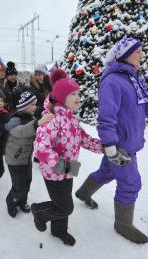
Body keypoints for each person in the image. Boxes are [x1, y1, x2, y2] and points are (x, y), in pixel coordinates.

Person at [75, 37, 148, 244]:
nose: (141, 55)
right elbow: (106, 118)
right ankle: (123, 224)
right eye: (138, 52)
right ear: (125, 55)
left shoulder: (134, 79)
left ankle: (83, 193)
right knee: (130, 183)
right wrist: (110, 147)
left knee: (106, 172)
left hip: (128, 141)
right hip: (120, 146)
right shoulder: (113, 81)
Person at [31, 71, 103, 246]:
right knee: (65, 207)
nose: (78, 97)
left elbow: (83, 139)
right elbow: (41, 148)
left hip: (68, 170)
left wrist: (105, 148)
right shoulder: (52, 119)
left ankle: (58, 231)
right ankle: (39, 211)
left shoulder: (70, 118)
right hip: (55, 172)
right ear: (62, 97)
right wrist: (62, 166)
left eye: (78, 93)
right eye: (73, 94)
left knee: (62, 202)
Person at [4, 90, 54, 218]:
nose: (35, 107)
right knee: (19, 186)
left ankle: (22, 202)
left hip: (26, 159)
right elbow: (21, 132)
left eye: (36, 104)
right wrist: (38, 123)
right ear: (24, 106)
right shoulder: (15, 120)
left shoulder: (31, 118)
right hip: (14, 160)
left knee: (27, 182)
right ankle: (11, 202)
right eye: (32, 104)